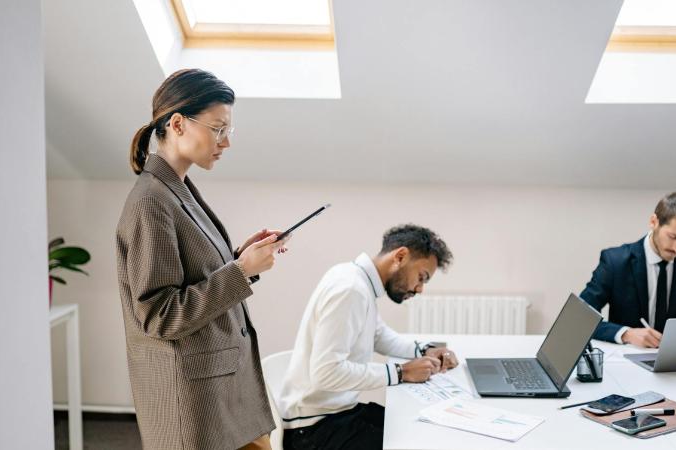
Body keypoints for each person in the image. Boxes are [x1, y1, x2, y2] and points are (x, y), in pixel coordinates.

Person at [116, 69, 288, 450]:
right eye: (218, 128)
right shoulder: (151, 202)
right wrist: (242, 271)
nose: (225, 142)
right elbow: (160, 314)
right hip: (195, 405)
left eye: (228, 131)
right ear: (177, 124)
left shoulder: (175, 189)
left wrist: (240, 258)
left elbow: (192, 276)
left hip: (221, 392)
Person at [279, 224, 457, 449]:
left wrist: (424, 350)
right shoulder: (351, 289)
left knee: (415, 425)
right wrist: (401, 373)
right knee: (416, 440)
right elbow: (326, 372)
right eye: (421, 277)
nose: (420, 289)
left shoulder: (357, 280)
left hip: (335, 415)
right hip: (313, 431)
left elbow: (379, 336)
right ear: (400, 256)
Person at [580, 192, 676, 348]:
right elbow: (579, 318)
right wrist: (626, 334)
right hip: (629, 362)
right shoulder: (615, 261)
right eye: (673, 237)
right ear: (654, 222)